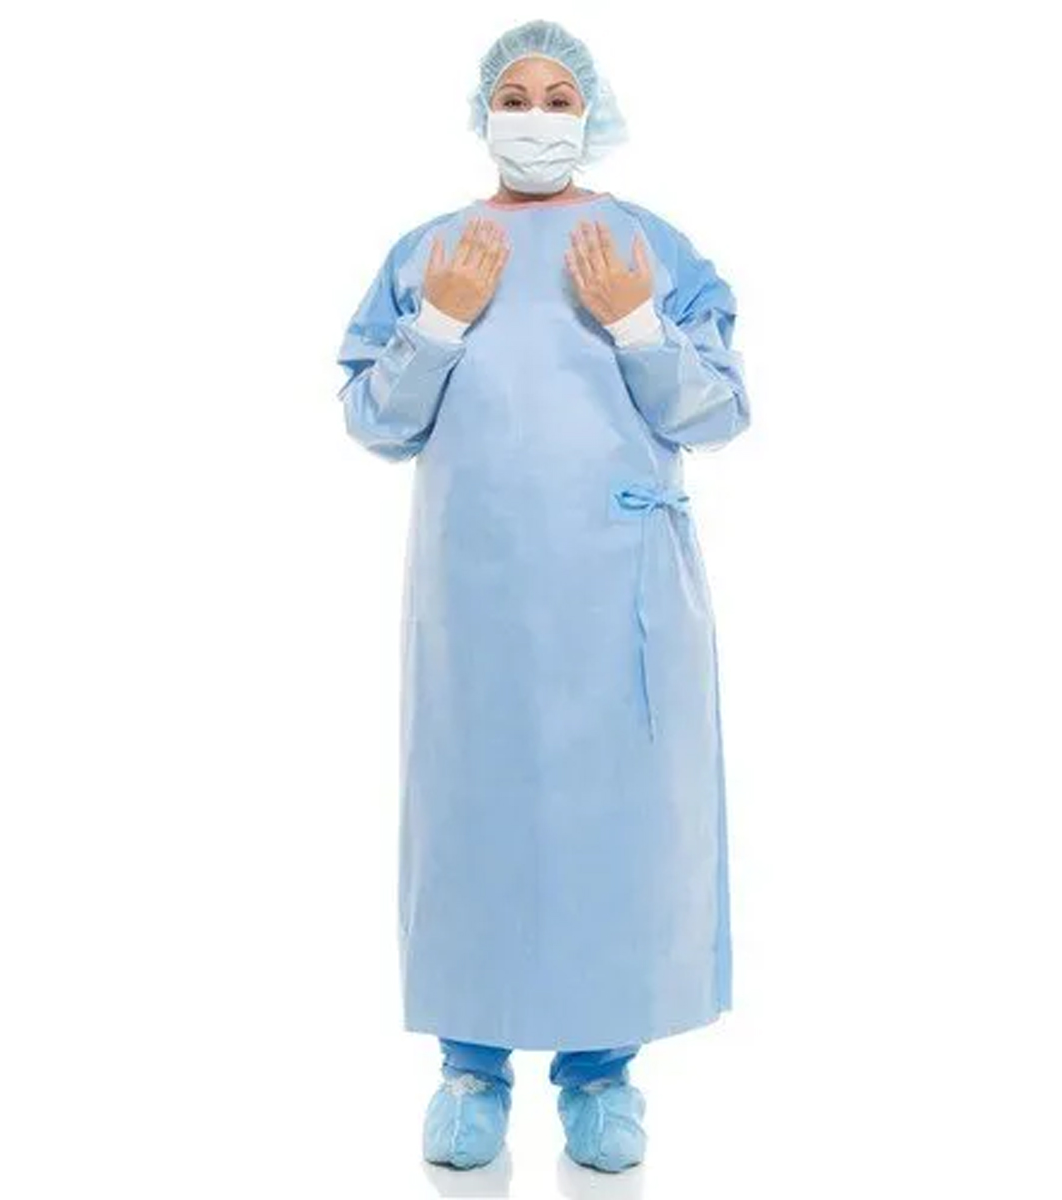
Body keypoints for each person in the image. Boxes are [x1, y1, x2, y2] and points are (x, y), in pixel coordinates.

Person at [335, 18, 750, 1174]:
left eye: (557, 98)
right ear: (483, 114)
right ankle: (470, 1067)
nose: (534, 117)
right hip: (477, 598)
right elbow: (377, 421)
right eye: (513, 97)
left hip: (617, 593)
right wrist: (437, 319)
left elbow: (717, 410)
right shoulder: (431, 252)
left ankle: (601, 1074)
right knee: (476, 821)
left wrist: (634, 320)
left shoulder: (649, 247)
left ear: (591, 115)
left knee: (611, 829)